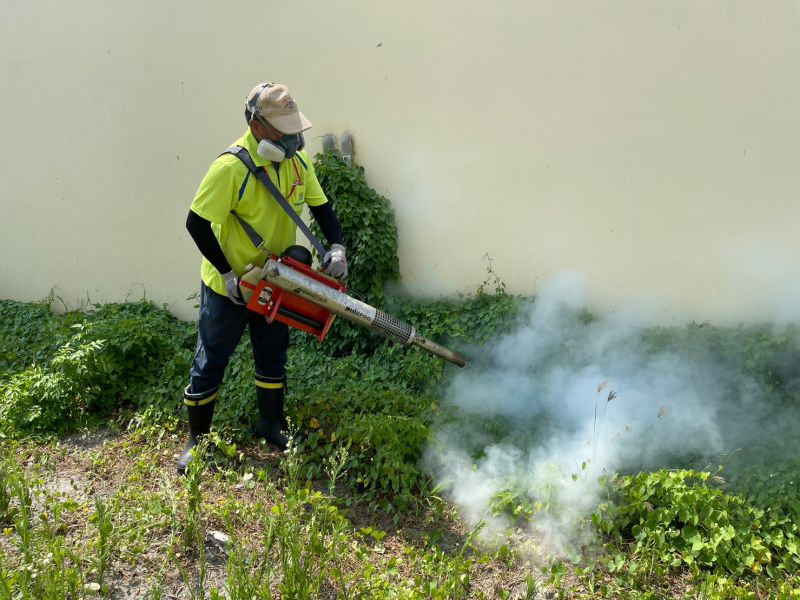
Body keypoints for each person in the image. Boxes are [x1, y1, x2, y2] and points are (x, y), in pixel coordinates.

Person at [178, 81, 347, 474]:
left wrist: (336, 246)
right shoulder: (229, 169)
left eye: (294, 131)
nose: (292, 140)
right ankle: (196, 442)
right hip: (230, 285)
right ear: (256, 125)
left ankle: (270, 423)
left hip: (276, 279)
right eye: (283, 132)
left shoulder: (297, 164)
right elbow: (196, 224)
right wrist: (226, 273)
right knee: (212, 360)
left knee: (272, 353)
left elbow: (322, 208)